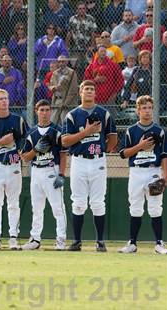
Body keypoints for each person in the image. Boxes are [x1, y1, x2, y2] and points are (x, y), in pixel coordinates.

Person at [61, 80, 118, 252]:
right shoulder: (72, 115)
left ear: (95, 93)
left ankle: (100, 241)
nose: (89, 91)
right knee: (78, 202)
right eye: (86, 89)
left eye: (92, 89)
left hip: (98, 160)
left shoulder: (104, 113)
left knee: (98, 202)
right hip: (78, 160)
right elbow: (64, 141)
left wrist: (101, 150)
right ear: (80, 92)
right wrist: (86, 132)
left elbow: (113, 138)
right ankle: (77, 241)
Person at [118, 95, 167, 254]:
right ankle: (132, 243)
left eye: (150, 108)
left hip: (153, 171)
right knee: (135, 208)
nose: (147, 111)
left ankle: (159, 244)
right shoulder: (131, 130)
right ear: (138, 110)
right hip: (136, 172)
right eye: (144, 108)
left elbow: (165, 155)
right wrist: (140, 146)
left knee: (155, 208)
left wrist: (166, 174)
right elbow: (123, 154)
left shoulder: (160, 131)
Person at [0, 88, 29, 250]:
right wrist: (0, 142)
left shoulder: (18, 120)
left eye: (6, 98)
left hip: (14, 166)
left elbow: (26, 138)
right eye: (0, 99)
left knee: (14, 203)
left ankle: (13, 237)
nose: (4, 101)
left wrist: (22, 150)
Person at [20, 99, 67, 251]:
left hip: (52, 169)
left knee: (58, 208)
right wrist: (36, 150)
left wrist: (61, 174)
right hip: (36, 171)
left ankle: (60, 239)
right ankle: (35, 238)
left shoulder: (57, 130)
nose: (45, 113)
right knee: (37, 207)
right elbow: (25, 157)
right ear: (36, 111)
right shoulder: (31, 132)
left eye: (47, 110)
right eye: (42, 110)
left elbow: (64, 154)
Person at [84, 45, 124, 117]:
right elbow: (86, 82)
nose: (103, 53)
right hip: (95, 98)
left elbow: (120, 81)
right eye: (101, 51)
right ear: (97, 53)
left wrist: (114, 94)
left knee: (110, 121)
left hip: (109, 99)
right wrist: (95, 80)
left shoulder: (113, 65)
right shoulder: (91, 66)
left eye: (105, 51)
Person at [48, 55, 78, 125]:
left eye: (63, 61)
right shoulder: (55, 73)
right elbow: (50, 84)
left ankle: (66, 135)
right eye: (59, 62)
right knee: (53, 121)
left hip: (67, 101)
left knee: (65, 122)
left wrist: (66, 103)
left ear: (67, 62)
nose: (61, 63)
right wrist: (53, 88)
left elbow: (73, 90)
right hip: (56, 100)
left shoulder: (72, 72)